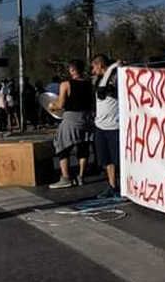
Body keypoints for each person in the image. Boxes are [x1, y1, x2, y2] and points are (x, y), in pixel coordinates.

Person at [48, 59, 94, 189]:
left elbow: (61, 104)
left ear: (72, 70)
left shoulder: (66, 85)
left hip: (71, 118)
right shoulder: (89, 84)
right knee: (83, 147)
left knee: (61, 146)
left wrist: (52, 106)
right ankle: (81, 176)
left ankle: (66, 177)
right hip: (86, 118)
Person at [91, 54, 121, 198]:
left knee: (117, 158)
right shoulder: (99, 80)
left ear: (100, 65)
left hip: (114, 125)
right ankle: (112, 184)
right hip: (101, 125)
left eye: (94, 66)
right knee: (106, 159)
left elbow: (108, 90)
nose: (93, 70)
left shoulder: (115, 77)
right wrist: (112, 66)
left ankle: (121, 185)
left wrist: (114, 66)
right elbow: (101, 90)